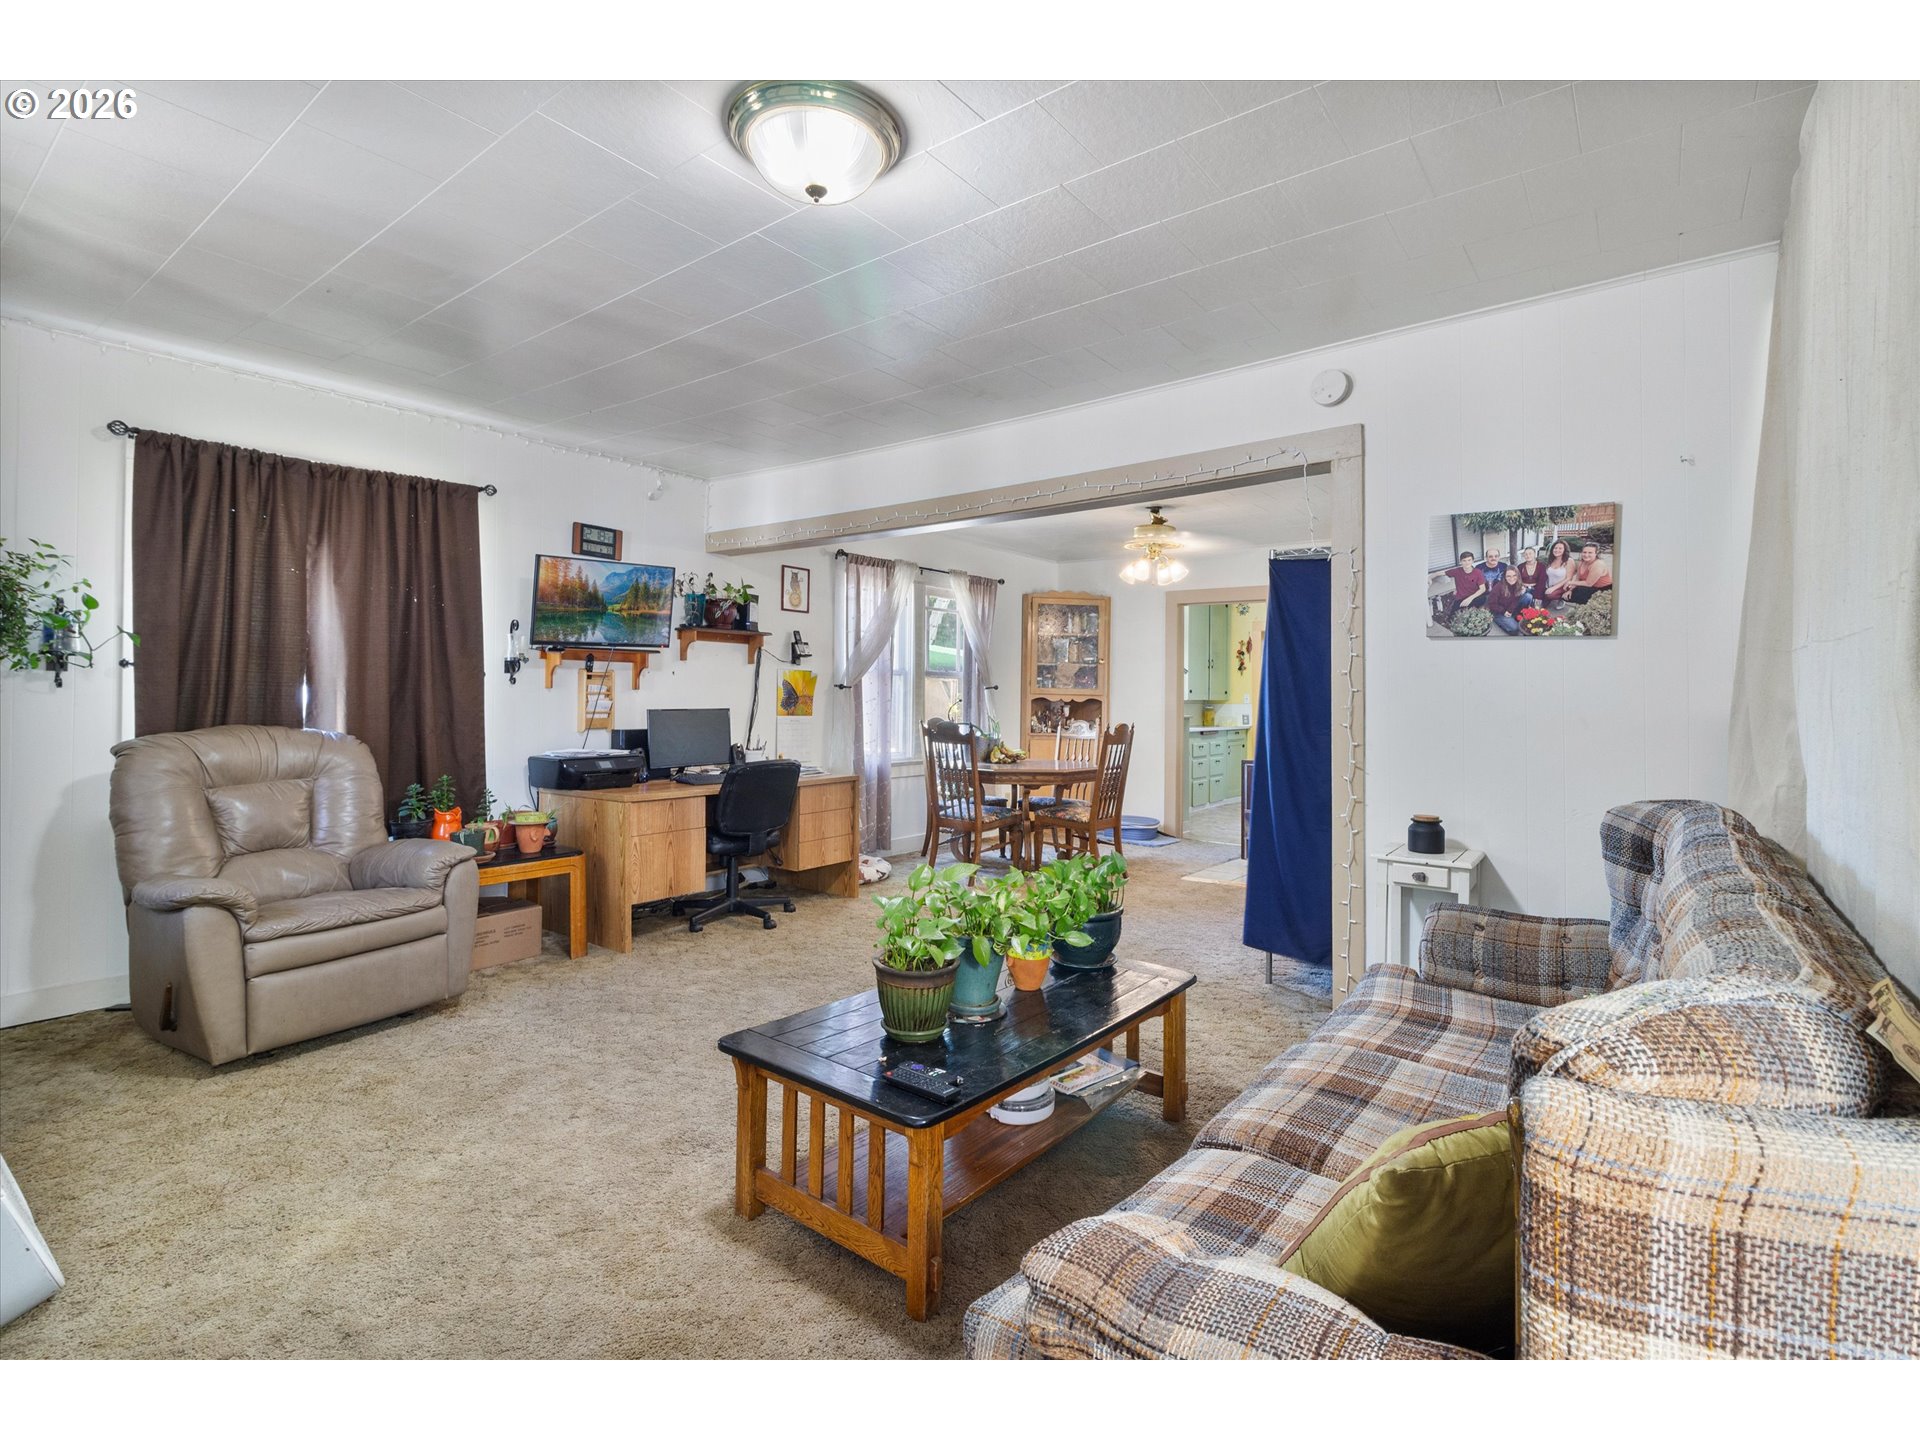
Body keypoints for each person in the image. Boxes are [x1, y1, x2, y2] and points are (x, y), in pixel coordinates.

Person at [1437, 550, 1485, 624]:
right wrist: (1430, 577)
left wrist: (1469, 599)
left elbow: (1482, 589)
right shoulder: (1457, 571)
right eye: (1464, 560)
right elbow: (1442, 572)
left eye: (1469, 560)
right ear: (1460, 562)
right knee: (1451, 619)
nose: (1467, 563)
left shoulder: (1477, 572)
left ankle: (1471, 613)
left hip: (1474, 597)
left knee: (1482, 601)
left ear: (1473, 561)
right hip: (1461, 597)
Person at [1487, 565, 1528, 634]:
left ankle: (1518, 615)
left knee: (1528, 596)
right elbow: (1492, 604)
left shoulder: (1517, 584)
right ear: (1505, 577)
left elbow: (1516, 600)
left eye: (1514, 575)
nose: (1512, 578)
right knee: (1515, 628)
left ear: (1518, 576)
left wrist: (1521, 592)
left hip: (1511, 608)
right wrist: (1504, 611)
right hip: (1499, 612)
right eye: (1508, 576)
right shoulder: (1498, 587)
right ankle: (1500, 621)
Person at [1541, 539, 1574, 606]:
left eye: (1560, 548)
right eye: (1555, 548)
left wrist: (1553, 588)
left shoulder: (1569, 561)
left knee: (1549, 595)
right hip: (1549, 585)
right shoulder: (1551, 560)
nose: (1557, 550)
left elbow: (1569, 578)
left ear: (1564, 550)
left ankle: (1561, 599)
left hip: (1562, 586)